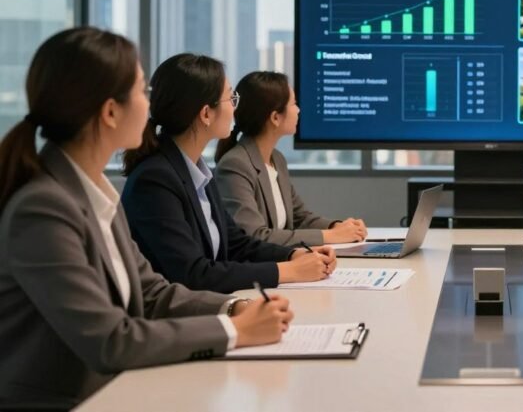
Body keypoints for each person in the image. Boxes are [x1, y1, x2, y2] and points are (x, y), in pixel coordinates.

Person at [0, 29, 293, 409]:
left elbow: (152, 293)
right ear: (110, 112)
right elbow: (110, 341)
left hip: (115, 391)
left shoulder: (95, 193)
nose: (150, 104)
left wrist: (233, 307)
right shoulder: (43, 209)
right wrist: (234, 330)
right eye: (142, 91)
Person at [122, 54, 336, 293]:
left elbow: (236, 244)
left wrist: (294, 255)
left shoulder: (197, 171)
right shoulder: (155, 180)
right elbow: (193, 274)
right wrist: (289, 271)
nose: (235, 108)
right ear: (206, 114)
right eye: (231, 98)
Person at [214, 71, 366, 246]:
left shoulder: (277, 159)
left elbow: (299, 217)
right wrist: (331, 236)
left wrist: (338, 226)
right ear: (275, 117)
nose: (298, 110)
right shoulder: (235, 165)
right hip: (261, 263)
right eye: (293, 104)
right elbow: (254, 236)